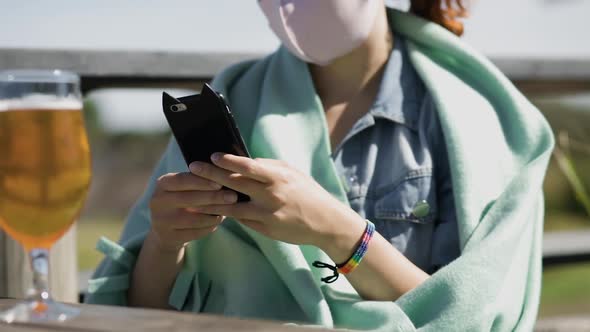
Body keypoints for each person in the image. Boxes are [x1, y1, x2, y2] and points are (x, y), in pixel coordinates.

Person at [86, 1, 554, 331]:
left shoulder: (472, 119)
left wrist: (339, 232)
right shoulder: (235, 97)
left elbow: (474, 318)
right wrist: (166, 244)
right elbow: (134, 312)